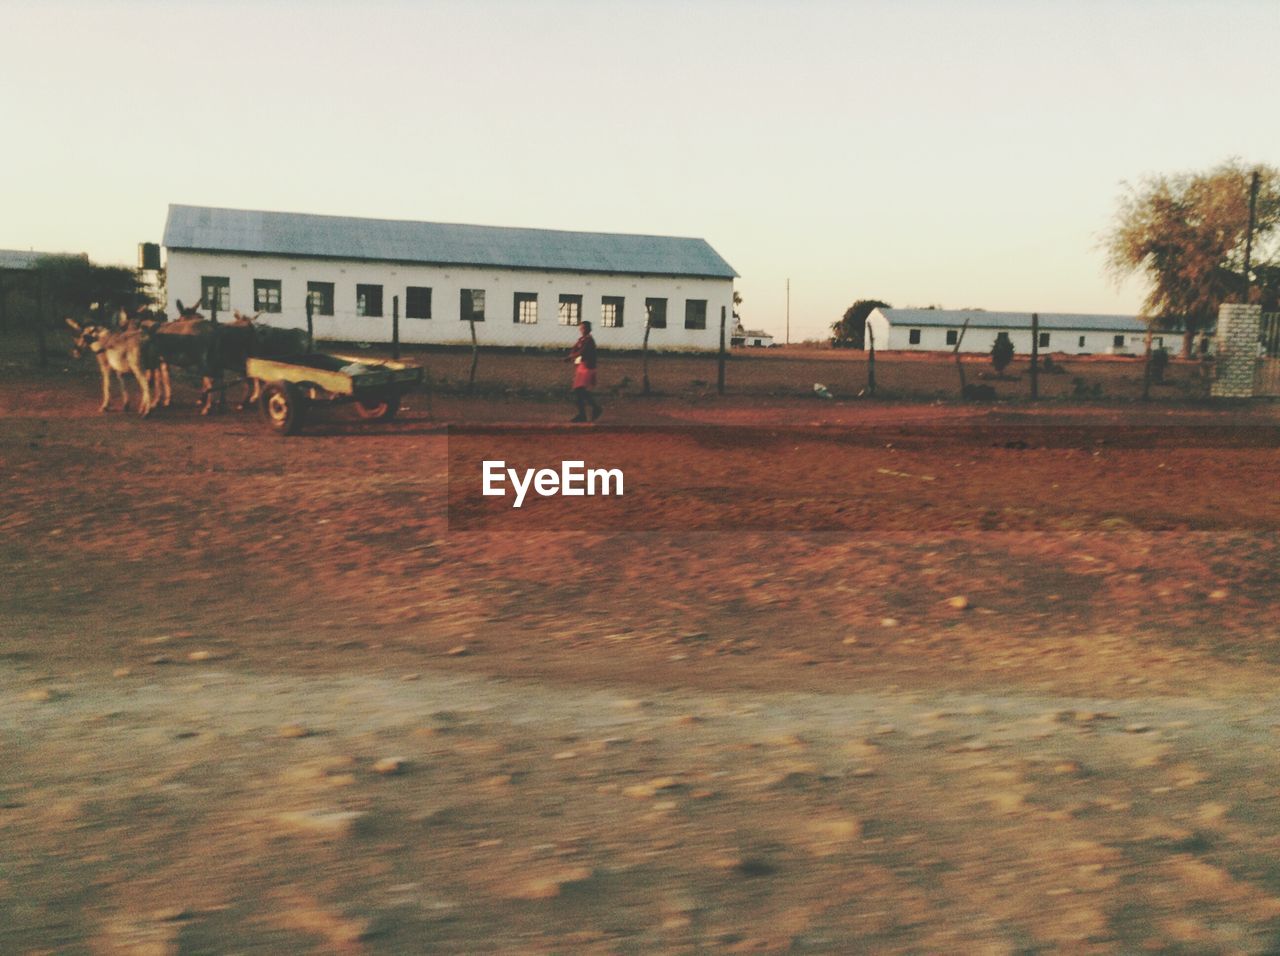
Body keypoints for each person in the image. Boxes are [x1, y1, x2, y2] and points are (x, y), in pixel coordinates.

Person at [567, 320, 602, 422]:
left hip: (588, 367)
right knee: (580, 391)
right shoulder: (583, 339)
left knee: (579, 390)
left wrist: (571, 357)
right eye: (581, 328)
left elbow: (582, 351)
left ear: (588, 329)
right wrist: (571, 355)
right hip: (583, 366)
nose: (581, 329)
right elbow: (575, 348)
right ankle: (588, 411)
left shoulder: (589, 340)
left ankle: (589, 411)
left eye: (584, 328)